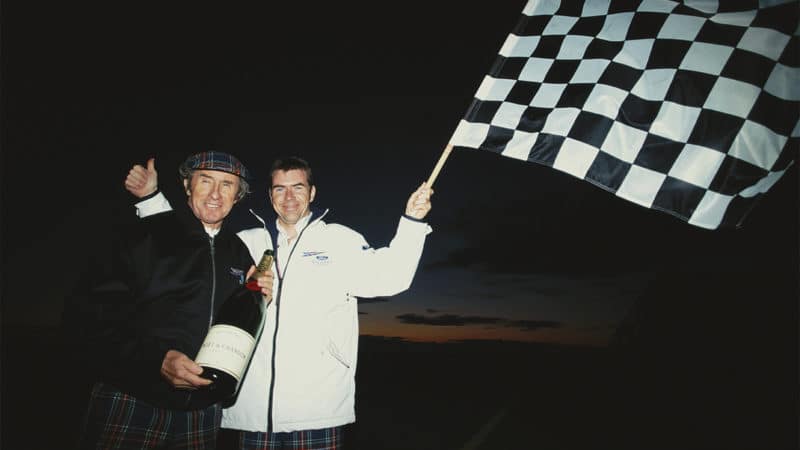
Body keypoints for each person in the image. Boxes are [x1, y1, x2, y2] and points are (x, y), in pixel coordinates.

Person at [125, 156, 433, 449]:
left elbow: (391, 277)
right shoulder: (246, 241)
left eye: (298, 187)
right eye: (279, 189)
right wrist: (151, 199)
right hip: (247, 411)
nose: (289, 197)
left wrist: (412, 221)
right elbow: (188, 247)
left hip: (317, 410)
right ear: (270, 196)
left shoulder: (339, 241)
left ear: (311, 193)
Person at [66, 151, 274, 450]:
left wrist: (260, 293)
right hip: (134, 398)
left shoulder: (239, 251)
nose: (216, 193)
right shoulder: (145, 234)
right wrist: (155, 362)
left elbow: (240, 319)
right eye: (206, 181)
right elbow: (83, 320)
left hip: (202, 409)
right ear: (188, 187)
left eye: (227, 185)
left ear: (237, 196)